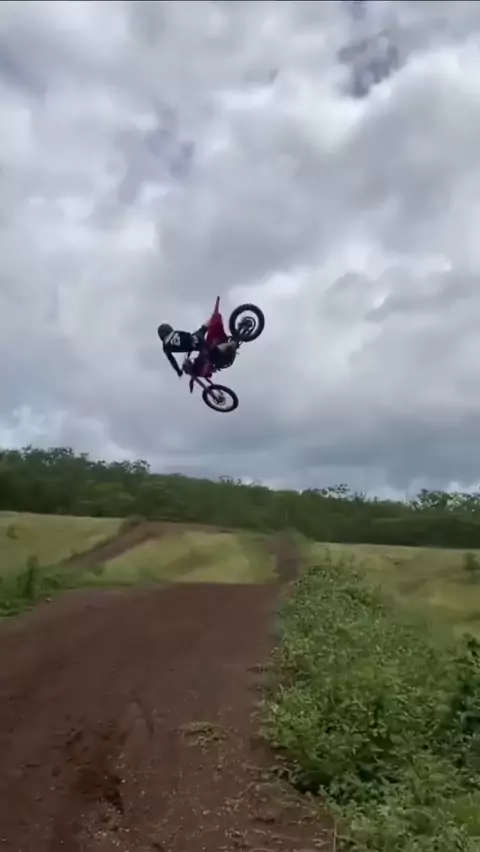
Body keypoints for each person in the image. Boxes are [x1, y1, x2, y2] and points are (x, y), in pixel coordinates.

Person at [158, 322, 238, 379]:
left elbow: (172, 361)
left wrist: (178, 371)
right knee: (203, 329)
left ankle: (233, 342)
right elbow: (185, 335)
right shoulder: (174, 333)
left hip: (197, 344)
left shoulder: (165, 347)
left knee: (213, 352)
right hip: (195, 337)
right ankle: (212, 319)